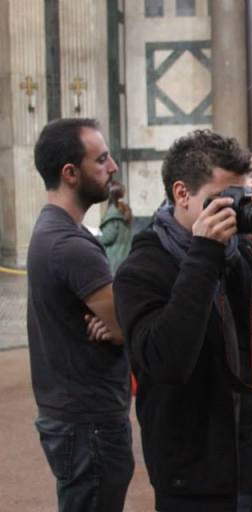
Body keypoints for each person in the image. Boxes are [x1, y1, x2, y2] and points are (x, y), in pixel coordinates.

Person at [113, 129, 252, 512]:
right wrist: (204, 254)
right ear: (182, 194)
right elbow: (166, 361)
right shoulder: (143, 268)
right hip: (197, 478)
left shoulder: (243, 254)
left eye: (240, 199)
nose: (235, 214)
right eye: (222, 201)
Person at [27, 118, 133, 511]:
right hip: (89, 422)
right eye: (102, 159)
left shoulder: (51, 230)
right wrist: (122, 323)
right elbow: (126, 328)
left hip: (73, 415)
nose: (113, 167)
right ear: (70, 173)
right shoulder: (71, 245)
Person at [98, 180, 133, 273]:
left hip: (114, 260)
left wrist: (92, 237)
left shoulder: (112, 215)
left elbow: (108, 237)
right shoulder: (124, 210)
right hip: (125, 257)